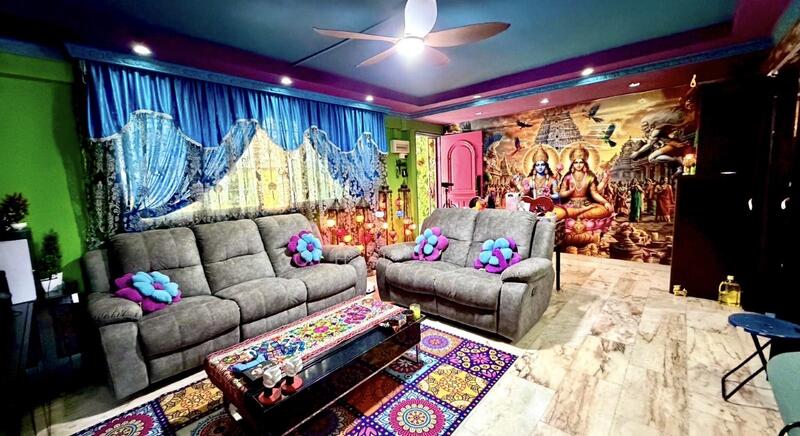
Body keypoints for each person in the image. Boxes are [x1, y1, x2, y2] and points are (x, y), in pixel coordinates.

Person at [554, 145, 613, 220]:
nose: (578, 165)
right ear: (573, 164)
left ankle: (577, 216)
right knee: (558, 212)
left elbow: (594, 193)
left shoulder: (589, 177)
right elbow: (561, 194)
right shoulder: (568, 177)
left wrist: (605, 202)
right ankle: (579, 216)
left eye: (581, 162)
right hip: (570, 206)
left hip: (587, 205)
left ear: (584, 163)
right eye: (576, 162)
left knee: (602, 210)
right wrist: (570, 191)